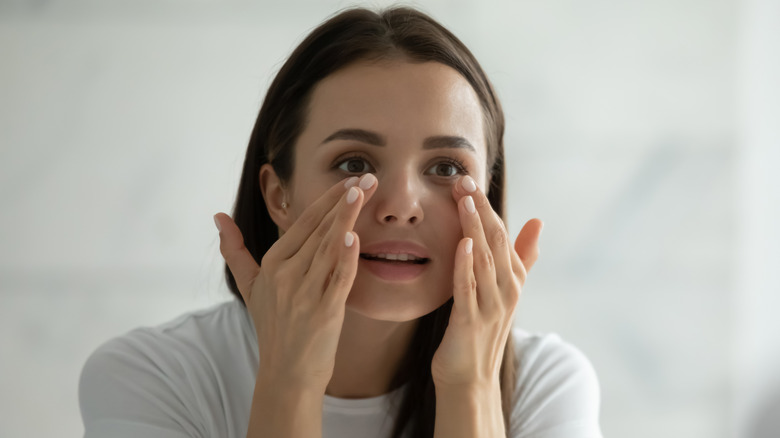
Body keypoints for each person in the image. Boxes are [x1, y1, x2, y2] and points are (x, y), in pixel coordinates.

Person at [79, 6, 603, 438]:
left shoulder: (547, 386)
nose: (401, 205)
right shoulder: (150, 379)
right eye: (355, 164)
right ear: (278, 195)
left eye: (446, 168)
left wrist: (471, 387)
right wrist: (291, 382)